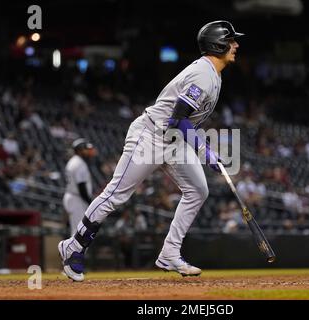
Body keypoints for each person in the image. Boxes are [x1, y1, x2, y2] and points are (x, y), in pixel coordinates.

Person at [58, 20, 244, 281]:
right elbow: (177, 118)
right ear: (219, 44)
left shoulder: (214, 74)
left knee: (198, 190)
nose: (236, 44)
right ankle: (73, 247)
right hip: (151, 136)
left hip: (173, 140)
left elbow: (182, 123)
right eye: (232, 40)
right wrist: (204, 150)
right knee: (116, 195)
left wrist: (204, 149)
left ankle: (169, 253)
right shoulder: (204, 73)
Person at [63, 138, 96, 236]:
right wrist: (90, 202)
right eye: (86, 149)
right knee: (78, 231)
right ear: (79, 150)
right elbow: (81, 186)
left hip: (74, 197)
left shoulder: (75, 161)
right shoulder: (79, 163)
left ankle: (75, 251)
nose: (88, 151)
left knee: (78, 229)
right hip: (77, 198)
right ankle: (74, 251)